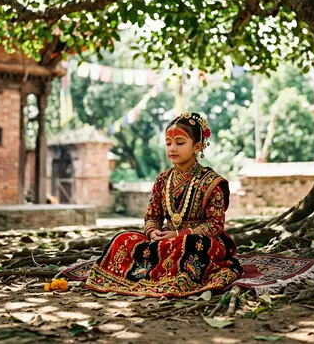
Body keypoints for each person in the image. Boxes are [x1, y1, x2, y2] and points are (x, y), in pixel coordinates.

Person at [85, 112, 242, 297]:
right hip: (165, 240)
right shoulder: (163, 179)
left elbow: (215, 225)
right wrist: (153, 232)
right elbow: (153, 216)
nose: (172, 148)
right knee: (122, 238)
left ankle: (173, 277)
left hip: (198, 240)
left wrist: (179, 234)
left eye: (180, 143)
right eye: (168, 143)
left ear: (197, 146)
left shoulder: (211, 182)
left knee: (189, 245)